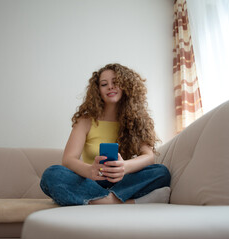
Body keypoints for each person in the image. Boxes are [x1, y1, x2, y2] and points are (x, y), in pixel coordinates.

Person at [40, 63, 171, 206]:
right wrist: (90, 170)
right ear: (98, 90)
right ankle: (117, 202)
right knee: (51, 175)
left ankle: (97, 201)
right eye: (104, 84)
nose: (110, 87)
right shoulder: (85, 121)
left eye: (115, 82)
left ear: (126, 86)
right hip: (90, 182)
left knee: (161, 172)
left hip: (123, 182)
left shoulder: (135, 122)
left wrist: (125, 166)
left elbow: (149, 156)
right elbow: (68, 159)